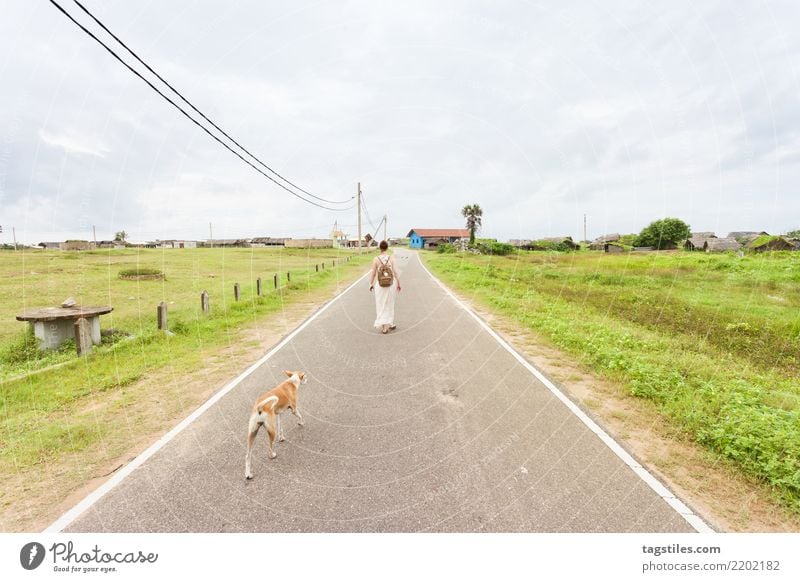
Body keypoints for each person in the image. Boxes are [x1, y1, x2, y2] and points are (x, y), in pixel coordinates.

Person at [369, 240, 401, 334]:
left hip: (380, 285)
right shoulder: (391, 258)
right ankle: (389, 323)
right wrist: (399, 283)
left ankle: (385, 327)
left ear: (380, 248)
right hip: (391, 284)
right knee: (390, 304)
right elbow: (395, 272)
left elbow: (373, 273)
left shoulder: (376, 259)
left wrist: (371, 284)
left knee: (381, 305)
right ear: (387, 248)